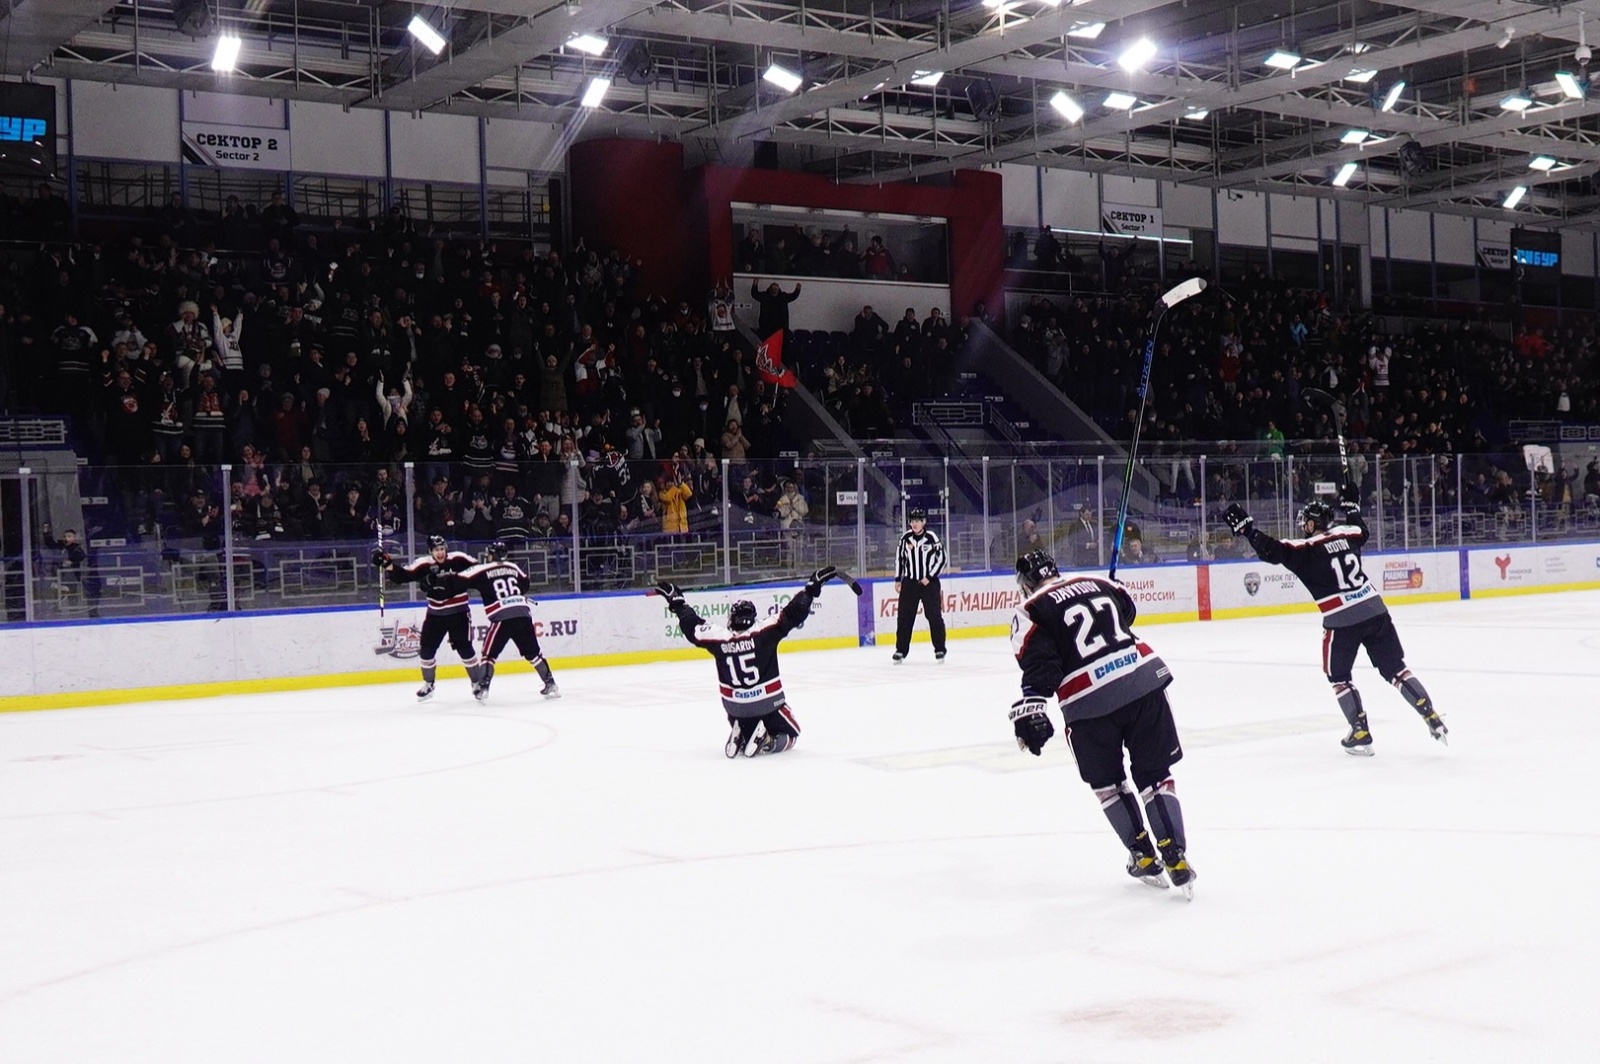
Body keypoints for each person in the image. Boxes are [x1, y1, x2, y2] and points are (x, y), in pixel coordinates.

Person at [1008, 549, 1196, 894]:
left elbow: (1041, 663)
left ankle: (1142, 855)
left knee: (1108, 784)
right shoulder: (1097, 581)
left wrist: (1034, 704)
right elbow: (1128, 611)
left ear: (1027, 583)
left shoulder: (1032, 608)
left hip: (1089, 702)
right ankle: (1176, 855)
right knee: (1156, 778)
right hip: (1142, 681)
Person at [1224, 488, 1447, 755]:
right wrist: (1352, 505)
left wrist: (1248, 531)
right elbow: (1362, 529)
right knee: (1396, 670)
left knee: (1339, 677)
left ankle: (1360, 731)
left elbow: (1273, 550)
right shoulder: (1348, 534)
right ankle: (1430, 714)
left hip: (1342, 619)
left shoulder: (1306, 549)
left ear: (1311, 524)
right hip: (1375, 609)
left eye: (1305, 521)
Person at [656, 566, 836, 758]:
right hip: (768, 705)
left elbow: (693, 627)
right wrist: (810, 589)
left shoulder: (719, 638)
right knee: (792, 733)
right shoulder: (765, 632)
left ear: (732, 619)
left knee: (746, 720)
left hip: (734, 710)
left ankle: (742, 733)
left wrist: (678, 604)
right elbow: (794, 613)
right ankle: (767, 741)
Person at [437, 540, 559, 700]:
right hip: (523, 613)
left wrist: (440, 580)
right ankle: (550, 683)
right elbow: (525, 583)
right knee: (533, 654)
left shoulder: (482, 569)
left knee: (488, 656)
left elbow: (459, 581)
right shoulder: (513, 567)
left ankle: (483, 687)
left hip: (502, 616)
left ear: (491, 555)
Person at [372, 534, 488, 702]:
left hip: (459, 613)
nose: (440, 553)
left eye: (442, 549)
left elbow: (479, 571)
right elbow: (403, 575)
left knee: (465, 649)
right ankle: (429, 684)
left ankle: (477, 684)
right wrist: (387, 564)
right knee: (426, 650)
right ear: (430, 551)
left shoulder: (459, 559)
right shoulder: (424, 564)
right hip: (435, 615)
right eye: (436, 550)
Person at [893, 506, 946, 663]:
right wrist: (897, 579)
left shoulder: (931, 538)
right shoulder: (905, 539)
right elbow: (899, 559)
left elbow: (942, 558)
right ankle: (900, 650)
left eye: (918, 521)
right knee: (904, 617)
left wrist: (930, 576)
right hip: (909, 583)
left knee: (934, 616)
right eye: (912, 521)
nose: (915, 524)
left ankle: (940, 649)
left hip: (929, 584)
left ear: (924, 522)